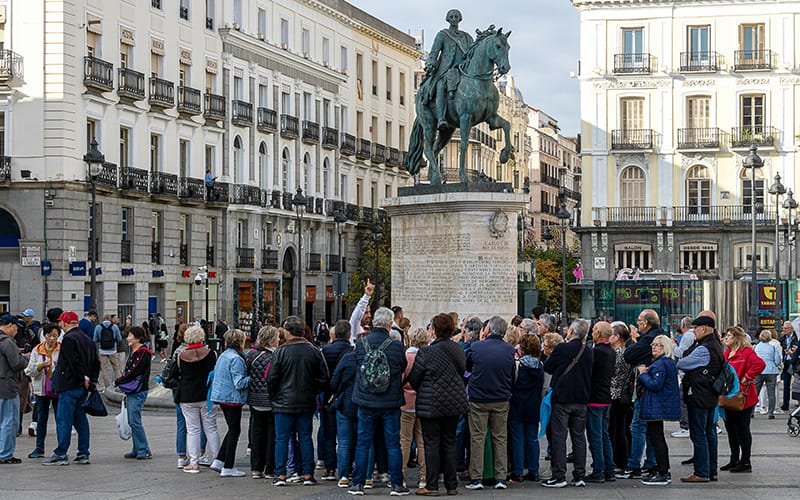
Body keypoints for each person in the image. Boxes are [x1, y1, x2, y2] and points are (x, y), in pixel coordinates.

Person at [347, 307, 409, 496]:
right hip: (390, 402)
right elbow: (401, 368)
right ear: (390, 324)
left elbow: (358, 366)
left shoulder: (361, 343)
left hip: (366, 400)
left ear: (373, 323)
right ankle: (396, 484)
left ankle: (358, 484)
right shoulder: (397, 346)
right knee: (393, 444)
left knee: (363, 443)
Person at [407, 313, 468, 496]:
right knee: (449, 442)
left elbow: (415, 378)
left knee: (431, 443)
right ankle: (451, 485)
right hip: (454, 401)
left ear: (434, 330)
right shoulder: (458, 349)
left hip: (431, 402)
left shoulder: (426, 352)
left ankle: (432, 485)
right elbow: (462, 370)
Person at [267, 316, 329, 487]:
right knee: (305, 437)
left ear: (288, 331)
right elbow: (324, 377)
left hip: (283, 401)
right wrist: (312, 390)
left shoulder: (280, 352)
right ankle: (308, 473)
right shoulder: (314, 350)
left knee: (282, 438)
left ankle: (280, 474)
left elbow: (271, 378)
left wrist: (274, 395)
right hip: (306, 400)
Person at [464, 315, 515, 490]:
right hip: (501, 397)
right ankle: (500, 477)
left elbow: (467, 365)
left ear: (488, 329)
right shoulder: (509, 349)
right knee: (500, 437)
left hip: (479, 398)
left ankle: (476, 478)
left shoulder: (476, 347)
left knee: (477, 438)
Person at [42, 311, 99, 466]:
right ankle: (83, 453)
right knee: (81, 420)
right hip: (82, 388)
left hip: (69, 385)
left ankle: (61, 453)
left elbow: (73, 362)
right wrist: (91, 380)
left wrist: (82, 377)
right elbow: (96, 363)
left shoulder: (69, 339)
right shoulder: (87, 339)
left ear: (65, 323)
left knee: (64, 420)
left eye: (61, 322)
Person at [542, 319, 594, 488]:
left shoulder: (562, 348)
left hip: (562, 398)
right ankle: (579, 475)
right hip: (581, 399)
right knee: (579, 437)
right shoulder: (588, 351)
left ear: (571, 331)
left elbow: (548, 367)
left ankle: (559, 475)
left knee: (559, 437)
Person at [677, 314, 723, 483]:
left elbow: (683, 363)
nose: (693, 332)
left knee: (699, 434)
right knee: (710, 433)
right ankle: (711, 471)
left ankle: (702, 472)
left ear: (703, 328)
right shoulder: (715, 344)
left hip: (699, 395)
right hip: (710, 395)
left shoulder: (704, 348)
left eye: (695, 329)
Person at [617, 309, 662, 479]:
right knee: (651, 428)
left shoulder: (648, 339)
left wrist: (635, 340)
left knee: (637, 426)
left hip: (644, 388)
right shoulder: (658, 336)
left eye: (639, 320)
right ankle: (651, 464)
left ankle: (634, 464)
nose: (637, 324)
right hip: (650, 389)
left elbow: (629, 355)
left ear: (646, 323)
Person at [720, 326, 766, 474]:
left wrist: (747, 378)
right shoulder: (727, 353)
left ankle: (745, 461)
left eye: (729, 336)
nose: (726, 338)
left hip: (743, 397)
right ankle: (734, 459)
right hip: (729, 396)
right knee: (731, 429)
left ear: (737, 338)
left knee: (742, 429)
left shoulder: (746, 352)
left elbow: (759, 364)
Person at [637, 335, 681, 486]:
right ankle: (660, 469)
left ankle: (663, 472)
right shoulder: (665, 362)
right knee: (656, 437)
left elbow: (655, 385)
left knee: (657, 438)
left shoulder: (661, 364)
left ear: (666, 348)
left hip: (657, 405)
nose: (654, 347)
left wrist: (643, 374)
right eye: (653, 345)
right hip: (659, 405)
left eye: (659, 345)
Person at [421, 9, 474, 130]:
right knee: (441, 86)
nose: (454, 19)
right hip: (446, 70)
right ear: (448, 19)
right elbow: (434, 52)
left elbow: (473, 52)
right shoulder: (442, 35)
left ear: (460, 19)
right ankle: (441, 118)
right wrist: (430, 64)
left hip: (463, 70)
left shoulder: (467, 37)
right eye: (452, 17)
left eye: (456, 17)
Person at [178, 326, 220, 474]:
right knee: (211, 428)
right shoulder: (212, 354)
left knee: (192, 429)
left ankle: (194, 462)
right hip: (207, 395)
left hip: (188, 396)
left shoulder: (181, 355)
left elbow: (178, 375)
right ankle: (218, 459)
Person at [210, 329, 251, 477]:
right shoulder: (236, 359)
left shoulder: (224, 355)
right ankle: (228, 466)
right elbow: (239, 383)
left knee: (232, 429)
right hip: (232, 398)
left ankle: (220, 460)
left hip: (221, 396)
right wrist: (254, 376)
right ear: (241, 341)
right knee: (235, 430)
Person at [507, 333, 544, 483]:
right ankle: (534, 470)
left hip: (517, 405)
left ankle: (518, 471)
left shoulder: (517, 365)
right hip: (534, 406)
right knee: (532, 439)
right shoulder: (540, 366)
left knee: (517, 438)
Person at [319, 319, 353, 481]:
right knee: (348, 435)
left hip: (328, 396)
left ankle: (330, 468)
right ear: (349, 334)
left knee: (329, 434)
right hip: (346, 395)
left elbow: (321, 374)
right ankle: (347, 466)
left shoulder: (325, 350)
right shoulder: (351, 351)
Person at [113, 326, 153, 460]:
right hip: (132, 390)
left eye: (130, 336)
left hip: (138, 390)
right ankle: (137, 448)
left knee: (135, 421)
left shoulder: (143, 353)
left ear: (137, 338)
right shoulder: (134, 351)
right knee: (132, 420)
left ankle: (143, 449)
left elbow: (134, 371)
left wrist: (118, 381)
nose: (127, 338)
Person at [585, 321, 616, 484]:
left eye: (594, 330)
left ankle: (598, 470)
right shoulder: (611, 351)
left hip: (594, 399)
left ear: (598, 334)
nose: (592, 332)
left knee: (595, 436)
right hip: (606, 398)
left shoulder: (595, 352)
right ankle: (609, 469)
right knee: (604, 435)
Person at [247, 326, 279, 479]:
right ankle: (270, 468)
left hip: (255, 399)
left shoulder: (252, 354)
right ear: (272, 339)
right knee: (272, 434)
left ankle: (256, 468)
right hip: (271, 400)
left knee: (257, 433)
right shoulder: (276, 355)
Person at [25, 323, 61, 459]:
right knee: (41, 419)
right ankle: (39, 447)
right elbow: (29, 371)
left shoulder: (62, 349)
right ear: (44, 335)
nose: (52, 339)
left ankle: (61, 449)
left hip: (58, 389)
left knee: (60, 419)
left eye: (55, 336)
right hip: (42, 390)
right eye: (49, 335)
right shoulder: (37, 350)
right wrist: (40, 366)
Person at [399, 327, 428, 490]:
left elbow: (401, 379)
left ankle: (401, 477)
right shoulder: (427, 358)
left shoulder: (406, 357)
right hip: (423, 403)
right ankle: (423, 478)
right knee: (422, 442)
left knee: (404, 441)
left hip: (406, 402)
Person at [330, 334, 359, 488]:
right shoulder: (371, 358)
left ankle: (343, 475)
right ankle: (364, 475)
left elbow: (334, 382)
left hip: (345, 403)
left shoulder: (347, 358)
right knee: (363, 441)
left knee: (344, 441)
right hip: (364, 403)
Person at [0, 314, 29, 464]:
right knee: (9, 421)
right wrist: (26, 357)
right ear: (10, 326)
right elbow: (16, 364)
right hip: (7, 387)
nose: (16, 332)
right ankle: (5, 454)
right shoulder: (7, 342)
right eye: (16, 329)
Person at [608, 322, 633, 471]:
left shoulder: (618, 353)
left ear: (617, 337)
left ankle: (618, 461)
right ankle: (622, 460)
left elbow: (611, 373)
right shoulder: (626, 352)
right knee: (621, 429)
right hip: (622, 395)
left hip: (614, 394)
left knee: (615, 429)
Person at [754, 329, 782, 420]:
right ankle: (770, 413)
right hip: (771, 371)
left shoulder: (756, 347)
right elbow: (777, 360)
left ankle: (751, 412)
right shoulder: (772, 347)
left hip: (759, 371)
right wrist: (776, 365)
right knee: (771, 393)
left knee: (755, 392)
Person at [93, 314, 123, 392]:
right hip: (113, 350)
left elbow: (95, 339)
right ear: (110, 319)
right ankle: (119, 384)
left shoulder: (98, 327)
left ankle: (107, 387)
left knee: (104, 369)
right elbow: (119, 339)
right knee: (116, 368)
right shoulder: (115, 327)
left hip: (102, 350)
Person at [779, 321, 797, 412]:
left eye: (786, 328)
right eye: (783, 328)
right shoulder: (782, 338)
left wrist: (794, 352)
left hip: (795, 362)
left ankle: (798, 402)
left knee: (798, 383)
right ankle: (785, 404)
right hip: (786, 362)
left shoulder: (796, 337)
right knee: (786, 384)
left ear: (791, 328)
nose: (784, 330)